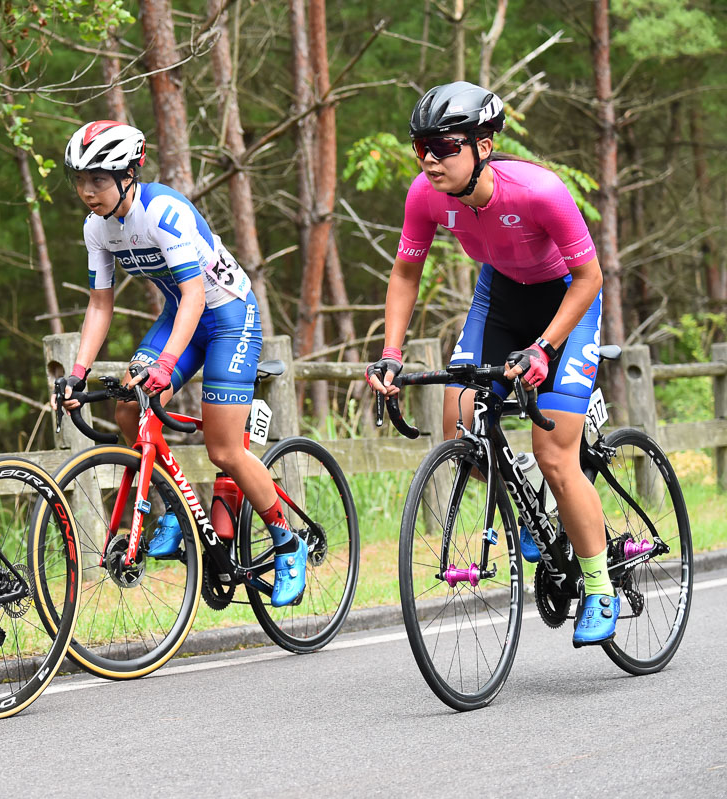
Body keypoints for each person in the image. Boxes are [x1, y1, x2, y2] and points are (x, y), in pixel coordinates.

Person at [365, 81, 614, 645]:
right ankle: (528, 502)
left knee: (555, 453)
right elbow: (406, 274)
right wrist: (390, 354)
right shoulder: (424, 197)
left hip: (566, 302)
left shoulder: (540, 192)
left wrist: (546, 347)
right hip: (499, 297)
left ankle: (599, 586)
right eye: (420, 147)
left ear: (483, 144)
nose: (430, 160)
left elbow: (591, 277)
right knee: (461, 419)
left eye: (445, 146)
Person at [55, 120, 305, 606]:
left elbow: (195, 295)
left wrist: (166, 365)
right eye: (80, 180)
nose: (88, 192)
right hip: (181, 317)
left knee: (225, 450)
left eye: (99, 179)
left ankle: (287, 542)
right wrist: (77, 372)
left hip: (229, 315)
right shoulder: (97, 228)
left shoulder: (163, 212)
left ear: (129, 173)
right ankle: (174, 505)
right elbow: (100, 305)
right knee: (129, 405)